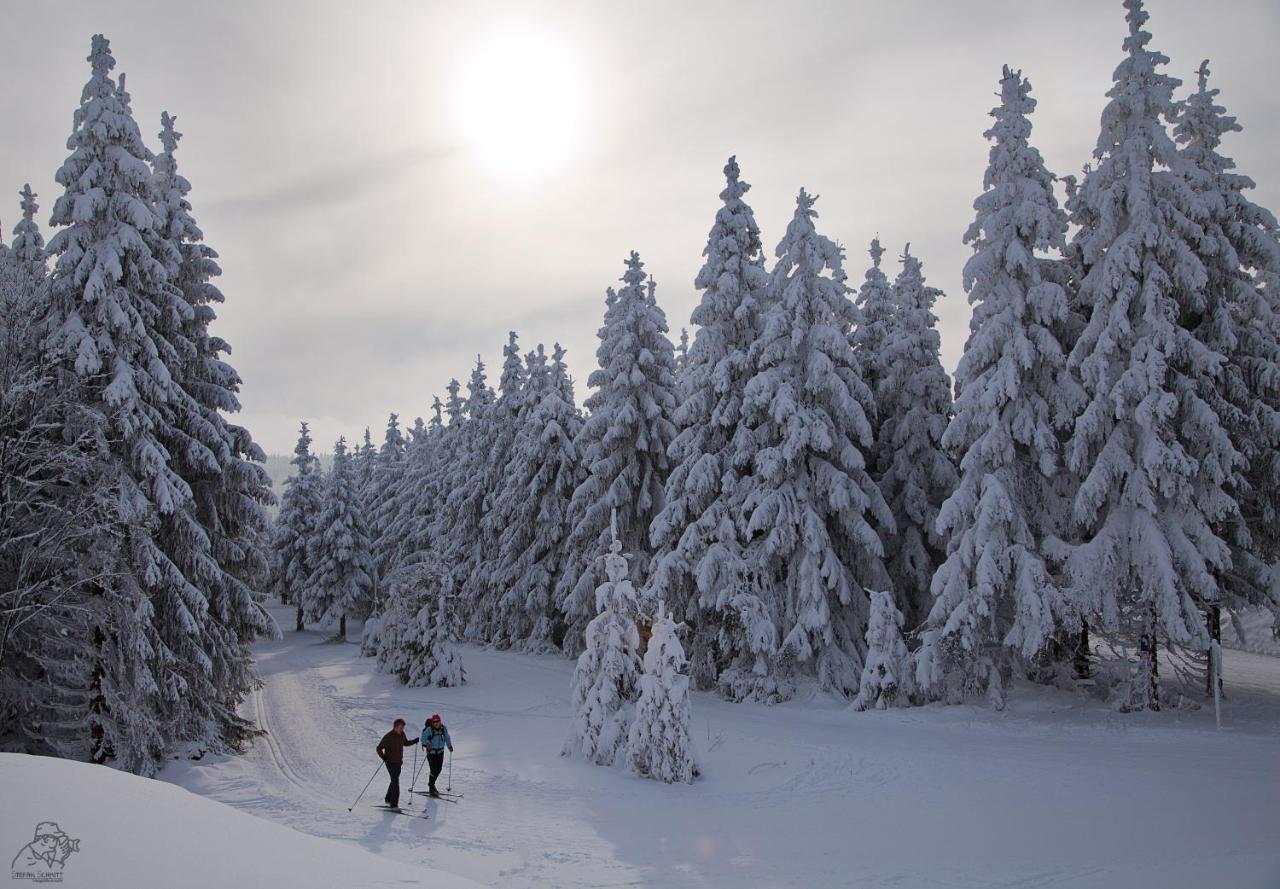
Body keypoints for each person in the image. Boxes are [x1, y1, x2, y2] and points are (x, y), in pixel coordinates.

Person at [375, 718, 418, 808]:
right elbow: (379, 748)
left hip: (398, 762)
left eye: (403, 728)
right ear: (395, 727)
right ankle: (394, 804)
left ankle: (388, 798)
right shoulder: (388, 737)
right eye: (400, 727)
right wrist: (383, 756)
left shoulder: (402, 734)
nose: (402, 729)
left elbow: (405, 743)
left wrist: (413, 741)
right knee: (395, 782)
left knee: (394, 780)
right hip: (390, 762)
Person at [419, 713, 454, 797]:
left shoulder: (443, 728)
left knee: (439, 770)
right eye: (434, 722)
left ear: (440, 721)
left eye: (437, 721)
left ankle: (432, 784)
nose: (436, 723)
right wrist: (428, 742)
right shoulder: (429, 730)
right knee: (434, 770)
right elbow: (423, 739)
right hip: (431, 753)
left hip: (440, 752)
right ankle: (431, 787)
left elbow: (447, 737)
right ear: (432, 722)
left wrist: (449, 746)